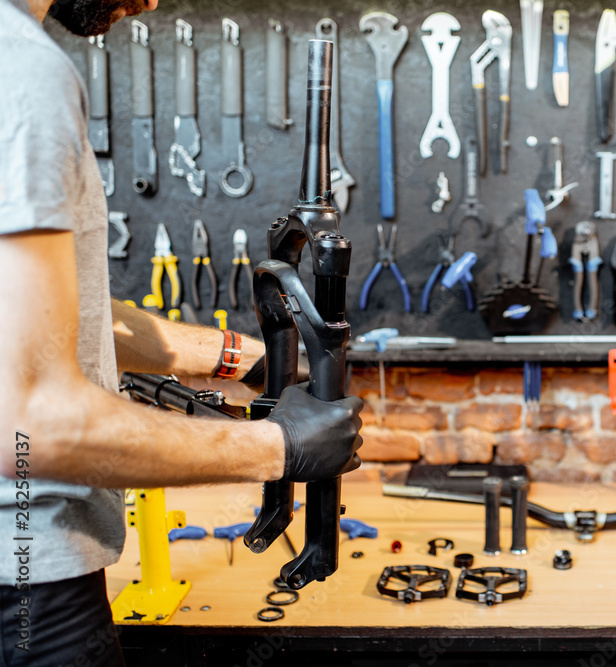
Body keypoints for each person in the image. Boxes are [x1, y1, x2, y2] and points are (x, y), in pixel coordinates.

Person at [0, 1, 365, 664]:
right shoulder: (22, 71)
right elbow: (29, 426)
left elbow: (63, 319)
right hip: (24, 582)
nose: (152, 2)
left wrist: (245, 357)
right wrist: (276, 446)